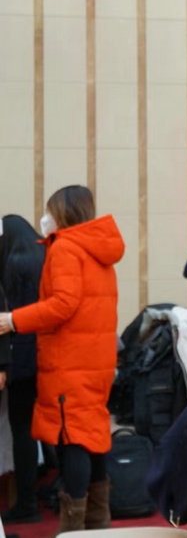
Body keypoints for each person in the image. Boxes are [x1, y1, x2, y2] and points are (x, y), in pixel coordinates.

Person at [0, 185, 125, 533]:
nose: (45, 218)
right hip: (96, 361)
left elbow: (62, 305)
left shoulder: (66, 248)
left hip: (69, 361)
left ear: (63, 214)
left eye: (50, 211)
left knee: (72, 441)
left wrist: (13, 320)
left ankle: (73, 527)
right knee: (92, 437)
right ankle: (98, 523)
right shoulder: (98, 251)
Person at [0, 215, 45, 525]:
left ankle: (26, 502)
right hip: (44, 357)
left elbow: (6, 322)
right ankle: (39, 495)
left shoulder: (12, 266)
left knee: (22, 431)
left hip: (19, 360)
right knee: (40, 429)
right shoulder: (43, 260)